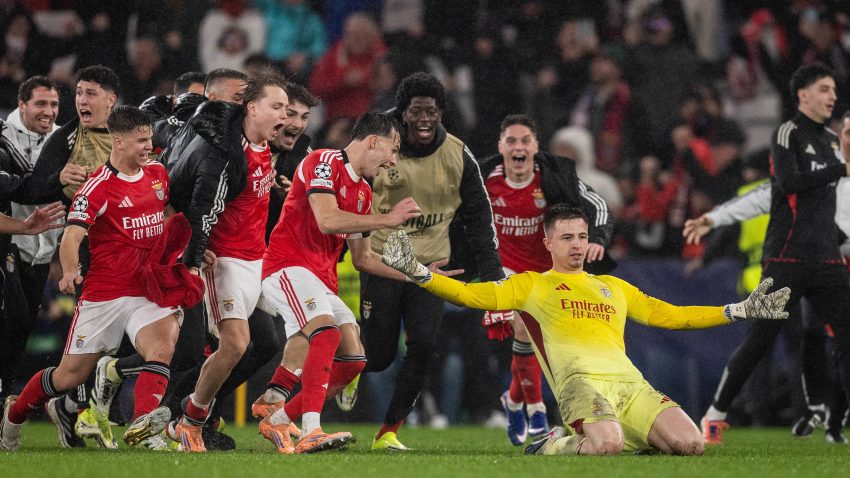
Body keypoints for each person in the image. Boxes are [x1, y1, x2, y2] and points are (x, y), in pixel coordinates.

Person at [379, 206, 791, 456]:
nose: (577, 245)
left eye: (581, 237)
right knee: (606, 447)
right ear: (548, 243)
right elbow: (470, 295)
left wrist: (738, 309)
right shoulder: (531, 285)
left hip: (632, 386)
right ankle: (554, 442)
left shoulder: (613, 286)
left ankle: (616, 431)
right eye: (567, 238)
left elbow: (675, 315)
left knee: (691, 445)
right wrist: (417, 272)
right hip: (581, 385)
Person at [0, 106, 191, 451]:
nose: (149, 146)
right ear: (118, 142)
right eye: (141, 141)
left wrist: (185, 249)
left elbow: (168, 215)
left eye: (150, 139)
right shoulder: (97, 188)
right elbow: (73, 236)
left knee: (161, 347)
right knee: (68, 376)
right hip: (105, 294)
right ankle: (14, 414)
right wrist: (71, 270)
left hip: (147, 289)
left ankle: (145, 427)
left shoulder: (158, 174)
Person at [697, 63, 850, 446]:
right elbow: (789, 182)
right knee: (759, 340)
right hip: (787, 259)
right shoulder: (787, 133)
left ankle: (834, 421)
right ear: (803, 95)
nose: (832, 96)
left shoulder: (831, 141)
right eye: (825, 89)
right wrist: (840, 168)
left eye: (833, 89)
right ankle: (715, 415)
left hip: (827, 260)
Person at [257, 110, 425, 454]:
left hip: (320, 279)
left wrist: (421, 275)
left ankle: (278, 419)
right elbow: (326, 219)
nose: (393, 161)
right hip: (288, 266)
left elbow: (363, 259)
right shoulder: (323, 161)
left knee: (353, 360)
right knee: (327, 333)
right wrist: (388, 219)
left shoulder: (364, 192)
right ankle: (311, 431)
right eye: (393, 149)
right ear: (374, 141)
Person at [361, 72, 503, 450]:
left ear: (441, 113)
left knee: (425, 345)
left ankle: (388, 431)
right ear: (403, 113)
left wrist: (492, 275)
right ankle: (350, 374)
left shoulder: (458, 154)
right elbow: (350, 188)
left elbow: (480, 216)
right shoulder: (378, 145)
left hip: (430, 270)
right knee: (377, 358)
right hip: (383, 261)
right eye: (416, 111)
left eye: (432, 112)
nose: (424, 119)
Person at [166, 72, 288, 452]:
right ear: (251, 108)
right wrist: (192, 254)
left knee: (317, 323)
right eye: (277, 106)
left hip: (260, 260)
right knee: (235, 344)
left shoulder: (264, 146)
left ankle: (284, 409)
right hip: (227, 261)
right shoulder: (225, 153)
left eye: (287, 107)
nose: (285, 115)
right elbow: (203, 206)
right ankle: (191, 419)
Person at [481, 114, 614, 446]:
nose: (518, 147)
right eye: (511, 141)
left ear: (536, 146)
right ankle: (537, 410)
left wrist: (596, 238)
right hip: (504, 270)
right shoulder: (483, 177)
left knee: (544, 343)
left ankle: (513, 400)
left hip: (547, 270)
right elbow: (457, 213)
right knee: (524, 327)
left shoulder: (555, 174)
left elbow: (596, 202)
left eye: (525, 140)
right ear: (501, 147)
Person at [0, 76, 63, 398]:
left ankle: (6, 395)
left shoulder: (64, 139)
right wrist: (57, 181)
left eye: (53, 104)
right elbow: (14, 186)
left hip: (42, 251)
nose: (48, 111)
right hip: (9, 244)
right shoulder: (3, 138)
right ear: (21, 104)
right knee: (13, 319)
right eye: (40, 103)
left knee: (21, 328)